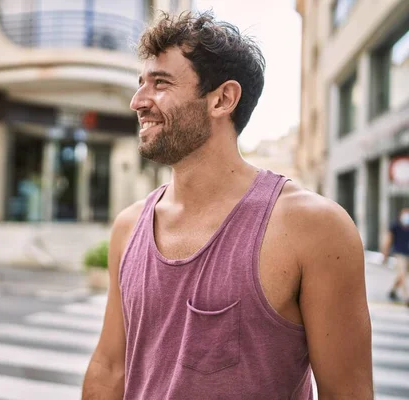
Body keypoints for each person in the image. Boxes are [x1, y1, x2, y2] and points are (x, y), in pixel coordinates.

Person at [82, 10, 373, 400]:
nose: (138, 101)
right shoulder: (128, 226)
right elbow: (109, 367)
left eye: (160, 83)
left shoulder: (313, 227)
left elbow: (348, 394)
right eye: (140, 84)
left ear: (222, 99)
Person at [381, 208, 409, 305]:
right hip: (399, 253)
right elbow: (388, 240)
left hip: (408, 254)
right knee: (402, 274)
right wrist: (385, 254)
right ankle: (406, 297)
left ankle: (393, 291)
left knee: (402, 275)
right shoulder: (395, 226)